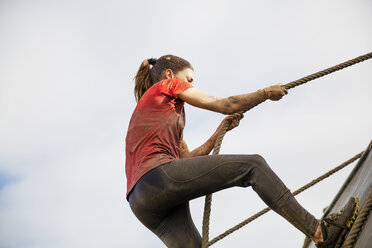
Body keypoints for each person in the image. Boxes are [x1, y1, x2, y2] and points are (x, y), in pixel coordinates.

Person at [125, 55, 358, 248]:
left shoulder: (153, 113)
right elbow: (226, 104)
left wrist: (217, 135)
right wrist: (264, 93)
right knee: (253, 166)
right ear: (169, 75)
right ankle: (320, 232)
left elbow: (185, 161)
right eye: (189, 79)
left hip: (141, 201)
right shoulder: (168, 86)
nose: (191, 85)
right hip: (158, 176)